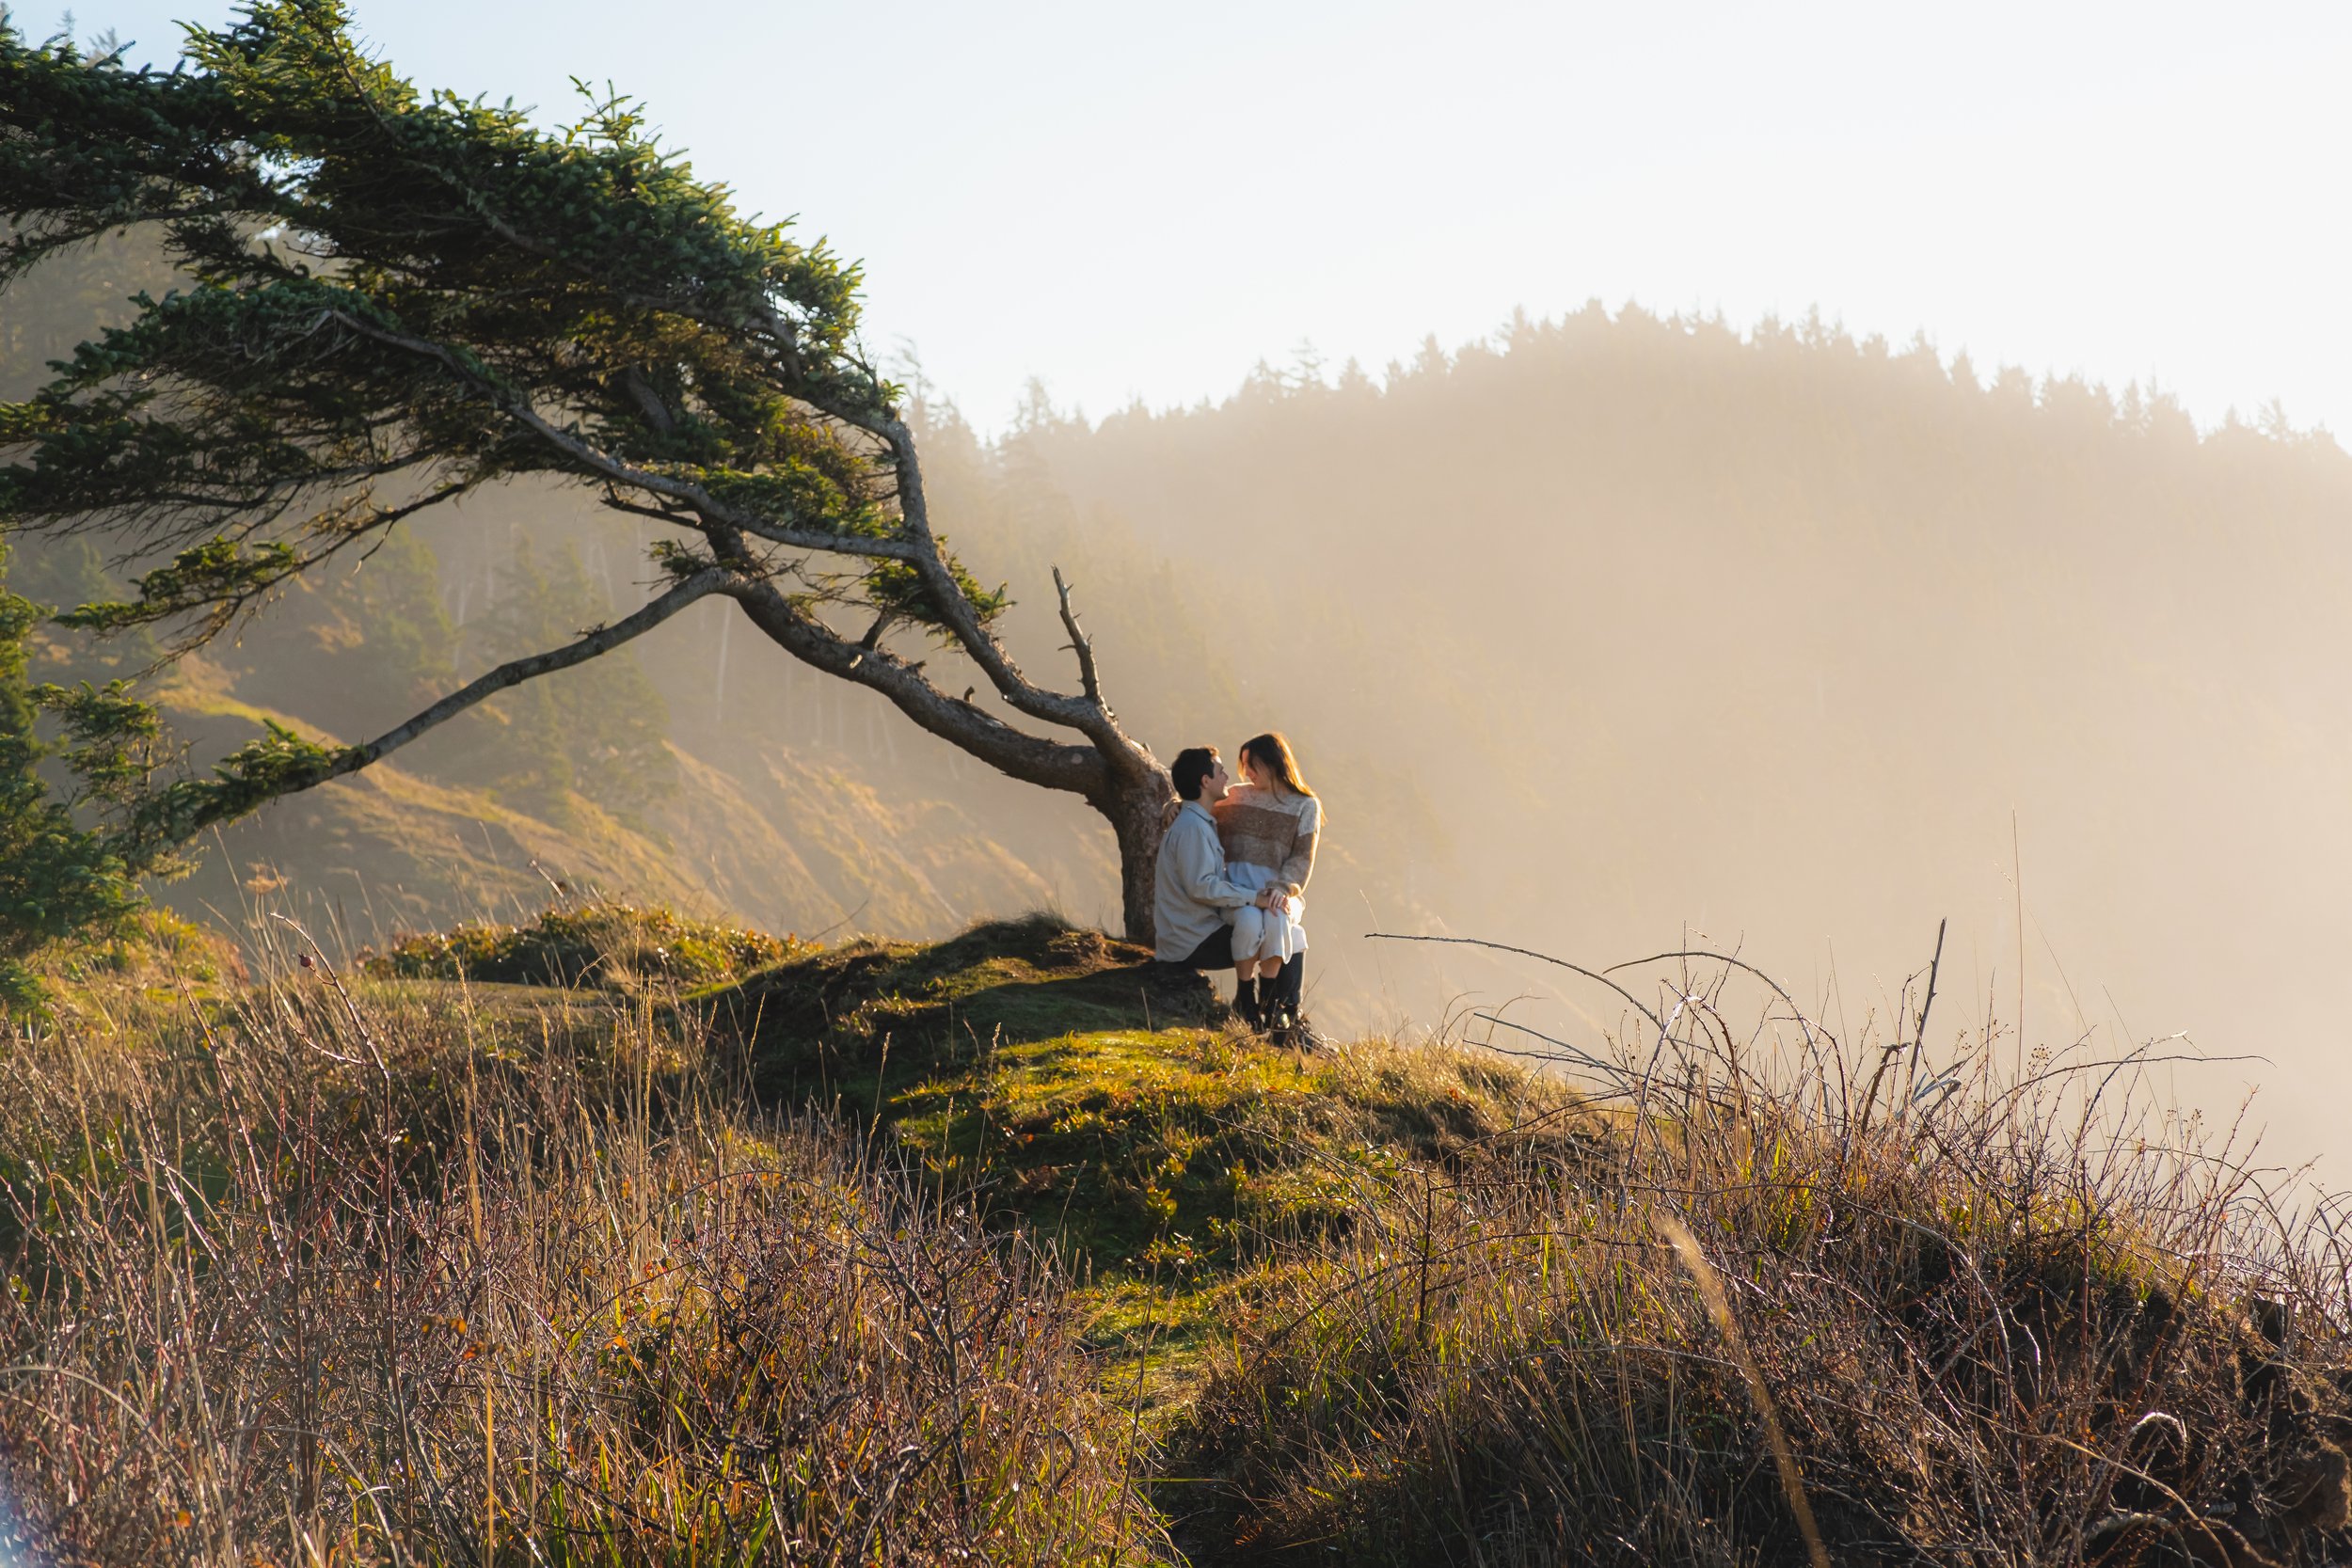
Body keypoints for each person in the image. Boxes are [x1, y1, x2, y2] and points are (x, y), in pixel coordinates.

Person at [1152, 745, 1289, 1010]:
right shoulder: (1192, 828)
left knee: (1276, 926)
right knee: (1279, 933)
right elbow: (1201, 888)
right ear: (1206, 781)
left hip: (1194, 933)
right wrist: (1255, 898)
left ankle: (1260, 1003)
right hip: (1191, 941)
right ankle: (1269, 1006)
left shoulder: (1197, 821)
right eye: (1221, 771)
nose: (1227, 777)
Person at [1214, 732, 1320, 1033]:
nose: (1247, 772)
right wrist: (1173, 806)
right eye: (1244, 765)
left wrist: (1282, 888)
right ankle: (1248, 997)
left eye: (1252, 765)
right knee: (1253, 920)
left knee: (1278, 918)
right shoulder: (1236, 796)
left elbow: (1302, 858)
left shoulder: (1304, 805)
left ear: (1273, 763)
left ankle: (1270, 1001)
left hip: (1281, 892)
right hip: (1239, 890)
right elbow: (1200, 806)